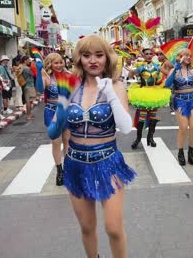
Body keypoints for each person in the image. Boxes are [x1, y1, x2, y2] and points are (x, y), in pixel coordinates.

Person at [46, 35, 135, 258]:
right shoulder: (69, 86)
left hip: (108, 162)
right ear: (79, 59)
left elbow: (126, 128)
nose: (93, 60)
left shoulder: (116, 85)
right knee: (87, 227)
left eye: (98, 54)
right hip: (76, 163)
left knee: (113, 228)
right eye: (86, 55)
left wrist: (111, 95)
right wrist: (62, 109)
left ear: (107, 58)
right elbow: (53, 132)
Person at [165, 48, 193, 165]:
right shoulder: (174, 70)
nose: (188, 57)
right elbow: (167, 85)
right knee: (183, 127)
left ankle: (191, 152)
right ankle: (180, 151)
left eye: (189, 55)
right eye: (185, 55)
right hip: (180, 100)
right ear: (179, 57)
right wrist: (175, 69)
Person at [128, 48, 170, 149]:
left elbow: (168, 74)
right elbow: (131, 75)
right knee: (141, 119)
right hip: (143, 94)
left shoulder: (157, 66)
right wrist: (133, 72)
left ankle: (150, 138)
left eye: (151, 54)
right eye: (147, 54)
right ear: (144, 55)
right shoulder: (141, 67)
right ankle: (138, 139)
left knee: (153, 118)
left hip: (154, 93)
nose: (149, 55)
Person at [39, 53, 70, 186]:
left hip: (66, 112)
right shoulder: (46, 77)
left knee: (68, 141)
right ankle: (59, 170)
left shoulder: (68, 75)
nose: (59, 65)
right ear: (50, 64)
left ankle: (68, 169)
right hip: (52, 112)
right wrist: (40, 70)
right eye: (55, 63)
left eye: (60, 62)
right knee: (56, 142)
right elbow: (39, 89)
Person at [21, 56, 36, 120]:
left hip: (27, 85)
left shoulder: (23, 68)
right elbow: (33, 74)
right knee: (28, 101)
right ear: (25, 61)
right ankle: (28, 115)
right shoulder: (26, 68)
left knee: (30, 101)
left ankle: (29, 114)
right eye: (28, 60)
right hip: (29, 85)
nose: (29, 61)